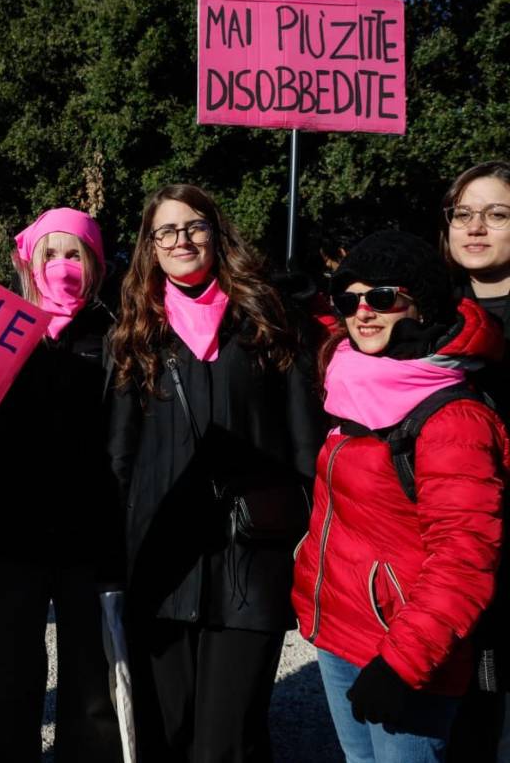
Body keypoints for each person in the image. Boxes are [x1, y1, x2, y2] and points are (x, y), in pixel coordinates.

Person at [107, 183, 322, 762]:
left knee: (226, 740)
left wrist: (303, 539)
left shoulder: (268, 318)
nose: (182, 240)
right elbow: (120, 457)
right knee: (166, 733)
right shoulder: (135, 334)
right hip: (162, 565)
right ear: (150, 246)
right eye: (166, 231)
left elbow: (306, 444)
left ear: (216, 232)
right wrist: (116, 556)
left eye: (194, 226)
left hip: (250, 563)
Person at [291, 230, 508, 762]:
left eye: (383, 297)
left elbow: (465, 559)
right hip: (341, 629)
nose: (363, 312)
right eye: (350, 300)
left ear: (421, 304)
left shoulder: (452, 417)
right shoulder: (357, 376)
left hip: (407, 650)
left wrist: (402, 663)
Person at [0, 206, 122, 761]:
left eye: (75, 254)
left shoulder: (117, 336)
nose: (62, 266)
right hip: (7, 537)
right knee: (10, 678)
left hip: (89, 541)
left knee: (92, 686)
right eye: (51, 254)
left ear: (95, 263)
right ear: (30, 262)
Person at [438, 161, 510, 761]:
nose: (476, 226)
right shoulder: (431, 315)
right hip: (448, 544)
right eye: (464, 213)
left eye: (497, 214)